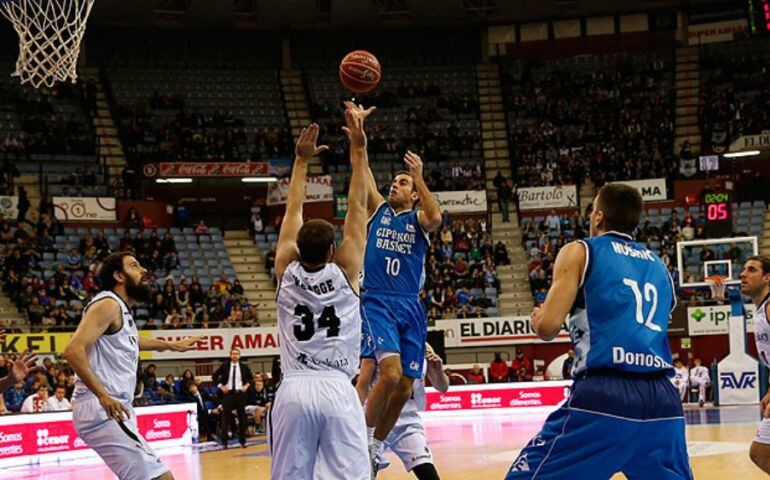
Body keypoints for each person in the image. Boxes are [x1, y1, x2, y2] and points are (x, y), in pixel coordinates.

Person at [506, 183, 692, 479]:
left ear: (599, 217)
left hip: (606, 395)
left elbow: (548, 328)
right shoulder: (660, 266)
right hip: (664, 402)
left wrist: (540, 316)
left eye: (592, 209)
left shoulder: (580, 250)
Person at [269, 112, 372, 480]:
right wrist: (359, 151)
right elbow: (358, 208)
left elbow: (292, 209)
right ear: (332, 250)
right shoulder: (345, 270)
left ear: (297, 247)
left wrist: (300, 160)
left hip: (293, 388)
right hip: (337, 389)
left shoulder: (285, 267)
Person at [354, 102, 442, 477]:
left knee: (406, 386)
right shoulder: (378, 210)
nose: (395, 184)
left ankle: (374, 446)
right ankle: (361, 440)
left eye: (402, 182)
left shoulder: (419, 219)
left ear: (415, 193)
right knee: (387, 373)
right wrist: (360, 138)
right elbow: (364, 171)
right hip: (377, 300)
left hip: (410, 305)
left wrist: (419, 176)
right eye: (395, 181)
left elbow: (436, 216)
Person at [64, 252, 200, 480]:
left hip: (113, 408)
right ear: (119, 276)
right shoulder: (108, 304)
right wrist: (103, 396)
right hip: (103, 410)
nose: (144, 271)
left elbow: (135, 339)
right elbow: (72, 350)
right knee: (161, 478)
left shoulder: (120, 309)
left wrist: (173, 346)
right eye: (135, 266)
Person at [361, 343, 449, 480]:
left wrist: (438, 370)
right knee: (364, 473)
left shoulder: (424, 346)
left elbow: (443, 387)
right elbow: (362, 385)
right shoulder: (378, 340)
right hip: (376, 420)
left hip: (408, 421)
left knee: (427, 472)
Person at [740, 256, 770, 473]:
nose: (742, 274)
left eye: (751, 270)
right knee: (760, 452)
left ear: (767, 278)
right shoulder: (761, 309)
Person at [212, 348, 252, 449]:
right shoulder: (225, 365)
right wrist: (220, 386)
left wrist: (246, 385)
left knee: (242, 418)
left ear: (239, 356)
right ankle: (224, 443)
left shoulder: (244, 366)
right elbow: (214, 376)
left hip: (239, 394)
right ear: (230, 355)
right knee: (225, 418)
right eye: (233, 354)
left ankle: (242, 442)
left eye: (236, 354)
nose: (235, 355)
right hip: (228, 394)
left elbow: (250, 378)